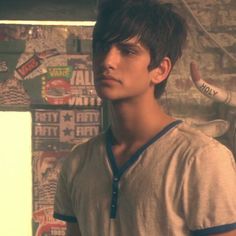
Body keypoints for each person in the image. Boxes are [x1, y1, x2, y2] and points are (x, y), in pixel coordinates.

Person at [53, 0, 236, 235]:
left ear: (160, 69)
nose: (107, 61)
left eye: (128, 51)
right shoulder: (79, 161)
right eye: (101, 47)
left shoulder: (200, 158)